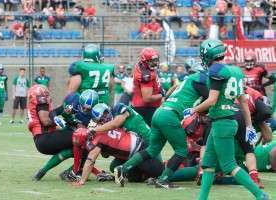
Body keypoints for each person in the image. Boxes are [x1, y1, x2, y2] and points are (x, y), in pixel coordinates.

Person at [183, 39, 268, 200]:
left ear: (208, 55)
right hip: (225, 121)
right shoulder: (235, 70)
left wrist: (193, 110)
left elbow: (212, 100)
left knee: (229, 165)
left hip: (222, 122)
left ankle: (260, 195)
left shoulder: (216, 69)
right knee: (208, 164)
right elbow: (242, 100)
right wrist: (249, 125)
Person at [114, 57, 209, 188]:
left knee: (152, 149)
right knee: (181, 150)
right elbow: (209, 101)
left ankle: (123, 169)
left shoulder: (184, 82)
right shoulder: (199, 82)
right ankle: (163, 179)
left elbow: (172, 89)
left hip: (160, 112)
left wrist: (165, 99)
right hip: (170, 116)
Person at [33, 89, 99, 181]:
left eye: (88, 109)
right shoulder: (73, 101)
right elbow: (54, 112)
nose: (85, 110)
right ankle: (67, 172)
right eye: (83, 107)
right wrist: (55, 118)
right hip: (69, 131)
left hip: (81, 135)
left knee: (86, 150)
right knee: (83, 149)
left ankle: (69, 172)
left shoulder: (97, 113)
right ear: (80, 101)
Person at [131, 47, 164, 126]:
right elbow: (147, 98)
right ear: (144, 61)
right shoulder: (146, 75)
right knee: (149, 134)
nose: (155, 63)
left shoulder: (141, 66)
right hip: (146, 109)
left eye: (156, 60)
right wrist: (162, 95)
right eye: (152, 61)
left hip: (144, 107)